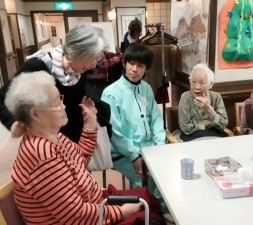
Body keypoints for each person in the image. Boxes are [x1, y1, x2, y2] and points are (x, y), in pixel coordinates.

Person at [5, 71, 166, 225]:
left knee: (149, 201)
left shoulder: (53, 137)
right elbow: (75, 215)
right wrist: (122, 212)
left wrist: (89, 126)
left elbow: (79, 160)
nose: (64, 106)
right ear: (35, 114)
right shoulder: (42, 156)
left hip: (91, 206)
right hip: (82, 218)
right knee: (150, 214)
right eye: (56, 102)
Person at [0, 24, 112, 142]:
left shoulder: (79, 70)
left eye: (97, 59)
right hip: (47, 144)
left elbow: (73, 98)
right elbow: (2, 97)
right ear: (77, 53)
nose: (94, 65)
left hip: (72, 142)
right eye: (92, 58)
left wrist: (85, 105)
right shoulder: (38, 66)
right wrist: (12, 123)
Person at [101, 43, 166, 188]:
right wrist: (134, 155)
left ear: (147, 69)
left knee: (167, 171)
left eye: (141, 66)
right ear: (124, 63)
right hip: (122, 153)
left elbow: (156, 118)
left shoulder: (146, 88)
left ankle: (158, 209)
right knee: (150, 178)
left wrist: (160, 144)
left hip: (147, 147)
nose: (135, 70)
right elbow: (114, 133)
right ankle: (147, 208)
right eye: (131, 63)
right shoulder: (111, 93)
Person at [178, 63, 228, 142]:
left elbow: (223, 125)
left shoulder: (216, 97)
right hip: (191, 137)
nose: (197, 87)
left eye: (202, 82)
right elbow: (186, 127)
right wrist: (208, 122)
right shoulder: (185, 97)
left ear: (210, 84)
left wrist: (209, 109)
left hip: (214, 137)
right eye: (193, 82)